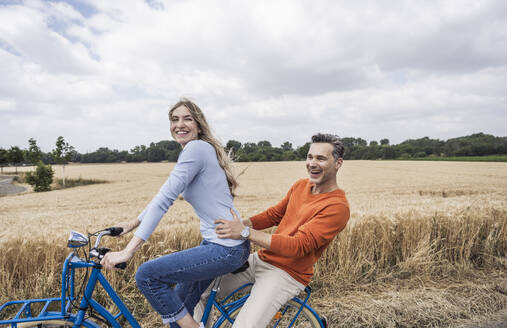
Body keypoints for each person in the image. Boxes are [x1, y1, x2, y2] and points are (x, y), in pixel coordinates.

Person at [101, 99, 250, 328]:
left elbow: (164, 200)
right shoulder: (196, 150)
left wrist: (128, 251)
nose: (180, 124)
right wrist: (133, 223)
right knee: (176, 315)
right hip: (219, 244)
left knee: (147, 276)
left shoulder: (196, 149)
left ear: (199, 125)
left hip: (225, 249)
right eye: (174, 119)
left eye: (187, 118)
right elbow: (165, 193)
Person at [196, 133, 350, 328]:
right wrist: (237, 224)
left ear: (338, 163)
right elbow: (274, 215)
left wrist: (244, 232)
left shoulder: (337, 207)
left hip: (286, 274)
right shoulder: (301, 186)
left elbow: (298, 246)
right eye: (310, 157)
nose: (312, 163)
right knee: (197, 289)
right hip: (262, 259)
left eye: (321, 158)